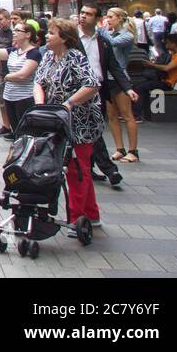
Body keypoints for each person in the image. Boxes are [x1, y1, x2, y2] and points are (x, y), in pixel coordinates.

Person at [34, 18, 104, 236]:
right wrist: (40, 105)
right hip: (56, 120)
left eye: (52, 33)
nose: (47, 36)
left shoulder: (75, 57)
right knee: (79, 169)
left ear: (64, 38)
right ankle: (91, 215)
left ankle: (76, 218)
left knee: (76, 170)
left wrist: (69, 103)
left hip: (80, 123)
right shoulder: (48, 56)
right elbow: (38, 82)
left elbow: (92, 84)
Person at [76, 4, 130, 184]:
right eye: (82, 13)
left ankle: (89, 168)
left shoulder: (104, 42)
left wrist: (127, 88)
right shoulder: (71, 39)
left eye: (88, 14)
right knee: (94, 131)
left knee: (94, 130)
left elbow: (114, 67)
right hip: (78, 92)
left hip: (98, 91)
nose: (83, 16)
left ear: (97, 19)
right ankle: (110, 170)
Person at [100, 8, 142, 165]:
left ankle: (133, 150)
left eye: (111, 17)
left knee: (127, 115)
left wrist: (101, 30)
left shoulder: (127, 36)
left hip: (120, 79)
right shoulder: (109, 33)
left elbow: (111, 43)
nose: (108, 19)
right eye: (107, 16)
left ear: (120, 18)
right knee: (112, 116)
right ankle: (120, 148)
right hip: (108, 79)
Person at [0, 20, 41, 136]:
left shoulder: (34, 53)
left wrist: (7, 76)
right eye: (14, 30)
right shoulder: (13, 51)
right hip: (9, 96)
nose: (14, 33)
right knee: (17, 130)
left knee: (26, 132)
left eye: (18, 30)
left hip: (24, 97)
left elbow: (23, 75)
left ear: (28, 34)